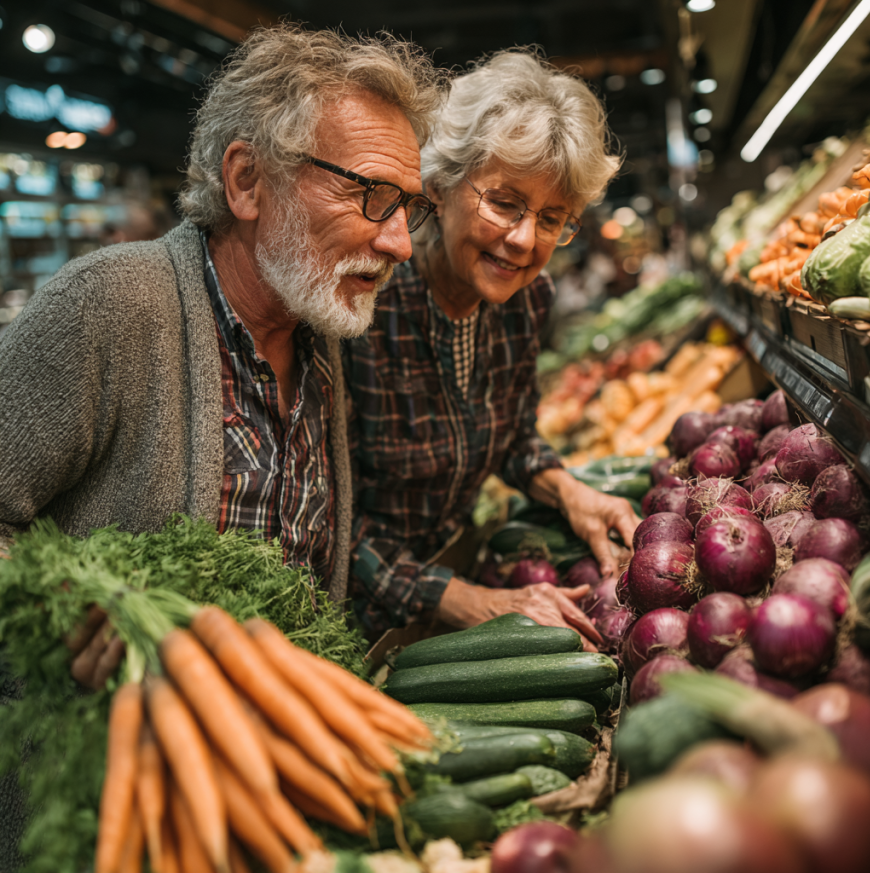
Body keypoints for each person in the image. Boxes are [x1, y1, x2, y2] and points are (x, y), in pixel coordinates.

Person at [0, 24, 444, 686]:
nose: (400, 243)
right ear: (246, 180)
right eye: (371, 196)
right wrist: (58, 606)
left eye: (407, 206)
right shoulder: (109, 304)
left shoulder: (321, 334)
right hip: (107, 766)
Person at [345, 50, 638, 647]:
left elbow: (510, 436)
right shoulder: (365, 303)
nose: (525, 240)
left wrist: (568, 490)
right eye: (504, 203)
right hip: (353, 626)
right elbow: (330, 522)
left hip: (448, 591)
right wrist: (474, 602)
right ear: (442, 186)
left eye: (554, 218)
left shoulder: (527, 300)